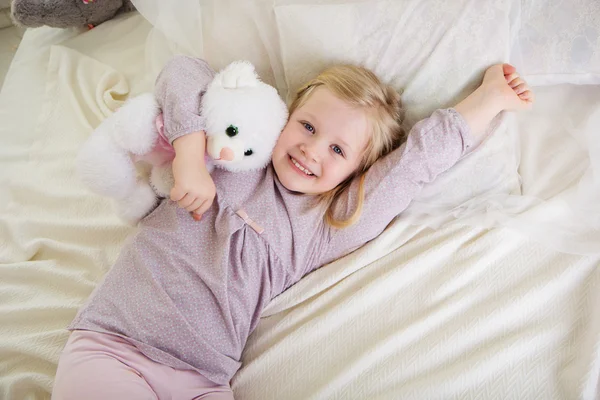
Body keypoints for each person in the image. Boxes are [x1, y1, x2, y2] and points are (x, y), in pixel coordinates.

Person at [51, 56, 533, 399]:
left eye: (338, 151)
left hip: (204, 382)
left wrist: (490, 98)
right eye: (307, 126)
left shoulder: (326, 225)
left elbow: (417, 163)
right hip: (115, 346)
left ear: (356, 174)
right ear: (283, 116)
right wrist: (190, 158)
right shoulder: (233, 153)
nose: (312, 149)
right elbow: (184, 70)